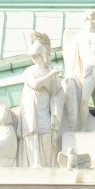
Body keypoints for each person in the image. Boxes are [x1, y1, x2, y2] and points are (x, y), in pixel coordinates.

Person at [17, 32, 63, 168]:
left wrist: (57, 101)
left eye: (39, 55)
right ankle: (35, 163)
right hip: (32, 105)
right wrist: (50, 75)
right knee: (32, 132)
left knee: (46, 134)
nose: (37, 58)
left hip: (45, 104)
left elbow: (57, 91)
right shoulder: (29, 71)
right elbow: (35, 84)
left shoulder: (50, 70)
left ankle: (47, 164)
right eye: (35, 56)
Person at [63, 10, 95, 130]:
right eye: (90, 18)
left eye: (94, 18)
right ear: (85, 19)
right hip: (88, 70)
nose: (92, 20)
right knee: (84, 100)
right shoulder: (78, 37)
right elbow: (73, 56)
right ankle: (82, 127)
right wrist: (69, 73)